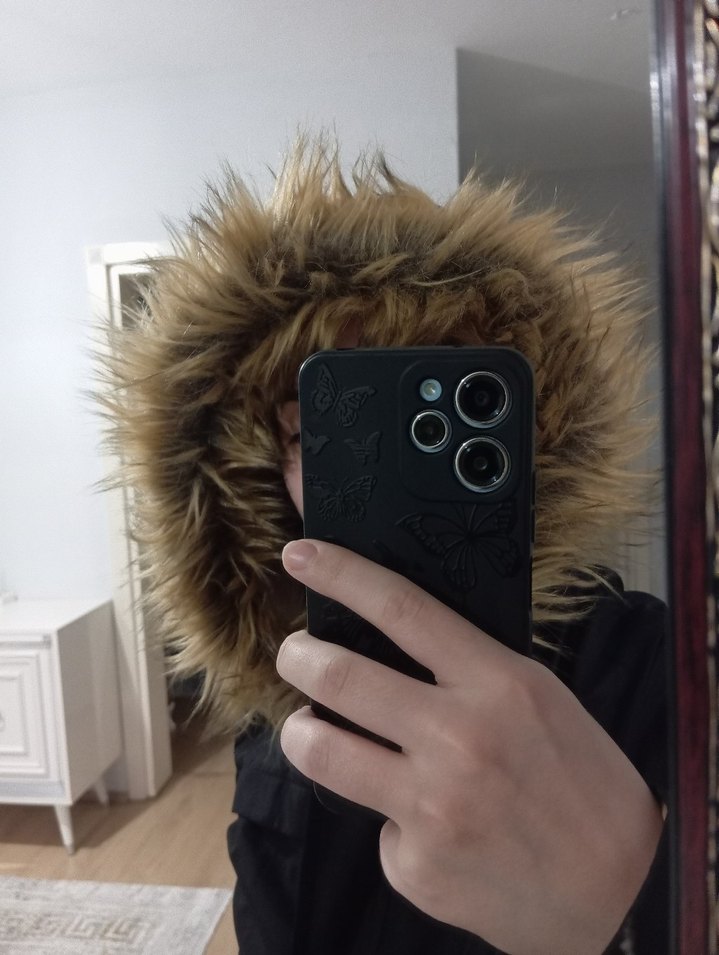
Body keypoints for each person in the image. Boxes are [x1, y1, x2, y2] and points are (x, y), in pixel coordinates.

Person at [101, 138, 668, 954]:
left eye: (431, 430)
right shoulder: (282, 689)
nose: (369, 474)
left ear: (530, 440)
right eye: (314, 435)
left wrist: (635, 906)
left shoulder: (647, 662)